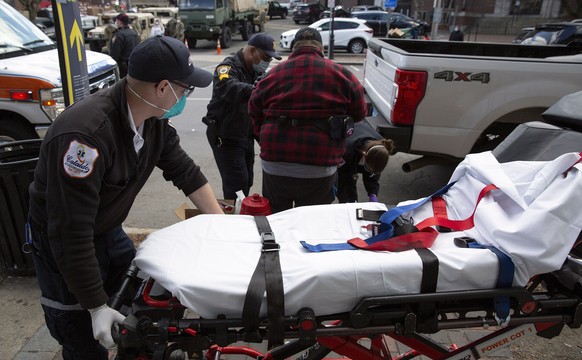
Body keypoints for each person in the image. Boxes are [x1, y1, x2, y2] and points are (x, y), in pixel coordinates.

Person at [28, 35, 224, 359]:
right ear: (163, 88)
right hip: (62, 244)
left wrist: (221, 226)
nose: (185, 96)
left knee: (137, 316)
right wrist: (94, 307)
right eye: (185, 89)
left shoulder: (152, 121)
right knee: (83, 335)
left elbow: (185, 171)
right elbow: (70, 232)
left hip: (107, 229)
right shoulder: (85, 138)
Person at [248, 27, 367, 213]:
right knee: (312, 223)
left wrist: (265, 138)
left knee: (277, 221)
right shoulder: (344, 75)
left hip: (276, 164)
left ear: (294, 48)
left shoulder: (271, 76)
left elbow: (253, 112)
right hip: (320, 165)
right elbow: (360, 113)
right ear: (320, 47)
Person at [203, 33, 281, 200]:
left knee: (246, 181)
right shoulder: (226, 69)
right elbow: (231, 88)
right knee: (236, 185)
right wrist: (260, 90)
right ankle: (234, 220)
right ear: (252, 51)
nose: (267, 63)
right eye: (265, 57)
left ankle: (240, 211)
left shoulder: (252, 70)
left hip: (244, 134)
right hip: (226, 136)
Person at [336, 122, 394, 203]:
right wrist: (350, 202)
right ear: (364, 155)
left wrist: (373, 193)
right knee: (347, 195)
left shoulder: (379, 148)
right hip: (345, 136)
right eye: (368, 168)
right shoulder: (346, 152)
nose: (371, 172)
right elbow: (344, 181)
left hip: (361, 137)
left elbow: (373, 174)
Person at [109, 13, 140, 78]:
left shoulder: (118, 35)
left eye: (116, 21)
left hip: (123, 67)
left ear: (119, 21)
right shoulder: (134, 33)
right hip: (134, 65)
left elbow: (115, 54)